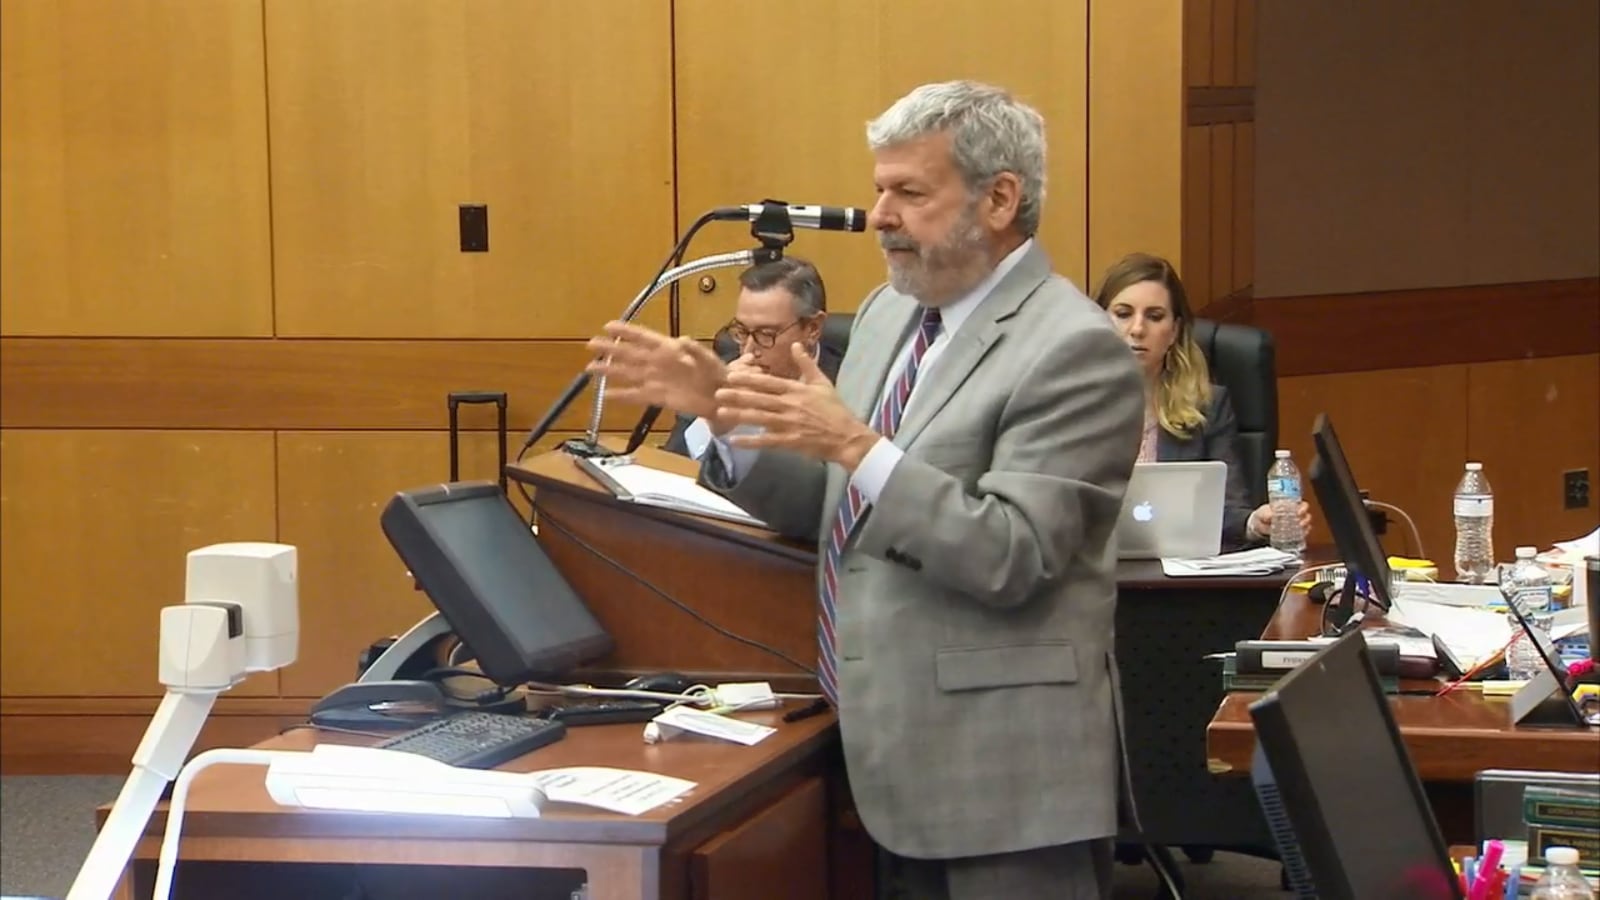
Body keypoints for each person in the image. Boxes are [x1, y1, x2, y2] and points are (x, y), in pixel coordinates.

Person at [587, 81, 1142, 899]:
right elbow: (836, 508)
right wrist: (721, 412)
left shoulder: (1074, 348)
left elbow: (1012, 554)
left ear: (999, 199)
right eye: (879, 188)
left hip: (1000, 784)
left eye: (909, 192)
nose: (879, 214)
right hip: (868, 752)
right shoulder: (887, 314)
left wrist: (855, 443)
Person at [1093, 252, 1312, 549]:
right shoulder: (1068, 404)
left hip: (1179, 579)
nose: (1137, 329)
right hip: (1091, 575)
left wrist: (1256, 523)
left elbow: (1229, 510)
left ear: (1174, 331)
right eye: (1123, 313)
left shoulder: (1207, 405)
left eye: (1155, 316)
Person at [662, 257, 840, 458]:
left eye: (766, 334)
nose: (748, 351)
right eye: (742, 331)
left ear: (812, 328)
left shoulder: (852, 387)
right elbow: (671, 466)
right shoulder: (716, 376)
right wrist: (711, 418)